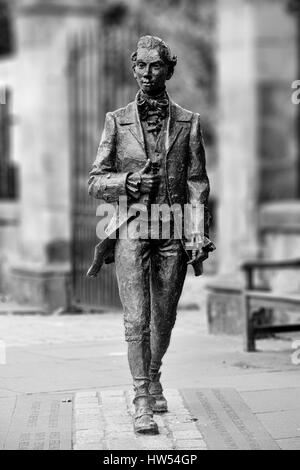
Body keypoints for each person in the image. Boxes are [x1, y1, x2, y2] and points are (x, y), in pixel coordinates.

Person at [87, 35, 215, 434]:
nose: (147, 73)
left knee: (164, 317)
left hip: (173, 228)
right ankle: (142, 396)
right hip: (131, 229)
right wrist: (125, 183)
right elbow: (95, 181)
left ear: (169, 70)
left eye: (155, 66)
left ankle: (154, 374)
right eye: (140, 66)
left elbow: (197, 183)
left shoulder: (189, 122)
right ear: (133, 68)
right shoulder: (117, 120)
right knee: (136, 318)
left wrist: (196, 232)